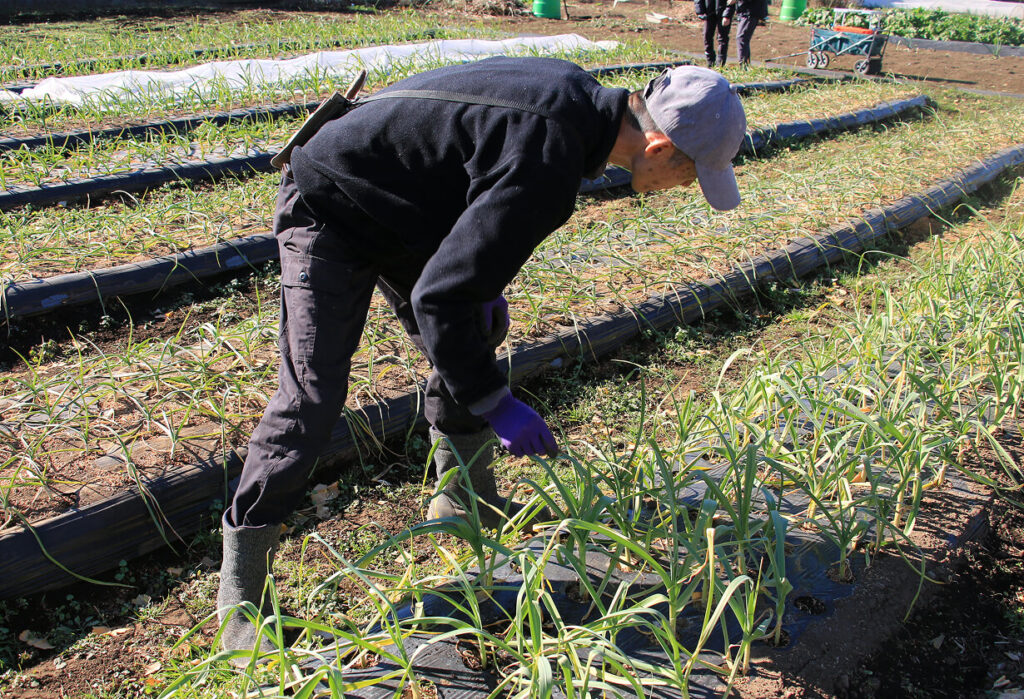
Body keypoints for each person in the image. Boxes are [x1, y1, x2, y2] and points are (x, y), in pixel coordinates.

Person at [216, 58, 748, 655]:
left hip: (398, 199)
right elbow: (438, 298)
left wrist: (478, 275)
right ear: (659, 147)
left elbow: (468, 166)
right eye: (691, 174)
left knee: (476, 324)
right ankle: (241, 600)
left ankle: (465, 496)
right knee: (311, 396)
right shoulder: (552, 159)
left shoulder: (577, 100)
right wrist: (496, 403)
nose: (686, 187)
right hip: (332, 198)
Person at [695, 0, 736, 68]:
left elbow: (731, 2)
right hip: (708, 11)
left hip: (723, 12)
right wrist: (700, 11)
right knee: (707, 36)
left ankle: (720, 64)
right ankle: (710, 62)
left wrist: (727, 15)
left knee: (722, 38)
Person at [735, 0, 770, 66]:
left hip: (751, 12)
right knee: (743, 38)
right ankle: (745, 64)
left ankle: (743, 65)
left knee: (741, 38)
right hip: (747, 11)